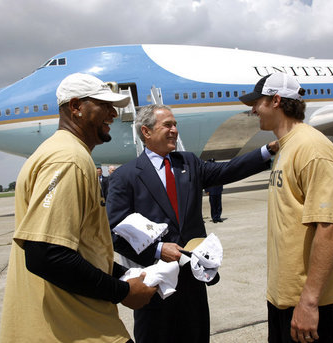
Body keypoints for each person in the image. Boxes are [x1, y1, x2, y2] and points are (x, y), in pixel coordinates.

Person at [0, 73, 157, 343]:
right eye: (104, 105)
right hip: (74, 328)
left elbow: (80, 249)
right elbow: (45, 254)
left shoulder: (60, 152)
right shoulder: (68, 160)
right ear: (76, 107)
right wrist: (122, 291)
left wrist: (126, 274)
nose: (113, 114)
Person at [106, 103, 277, 343]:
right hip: (156, 284)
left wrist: (267, 150)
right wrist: (157, 249)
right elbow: (114, 233)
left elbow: (227, 170)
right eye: (168, 125)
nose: (175, 130)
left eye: (175, 124)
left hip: (193, 280)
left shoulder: (188, 163)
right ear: (146, 132)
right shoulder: (126, 176)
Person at [239, 73, 333, 343]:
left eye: (258, 102)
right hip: (285, 296)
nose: (253, 110)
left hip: (312, 301)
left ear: (276, 100)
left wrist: (309, 302)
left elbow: (331, 228)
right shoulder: (286, 148)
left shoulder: (313, 149)